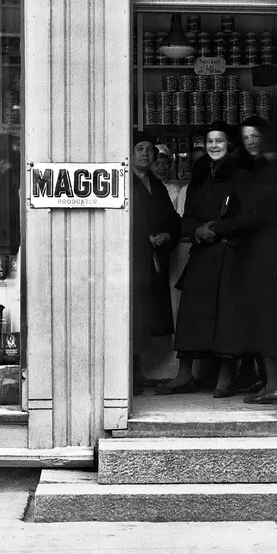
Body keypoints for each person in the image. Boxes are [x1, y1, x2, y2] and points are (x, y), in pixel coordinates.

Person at [156, 122, 260, 397]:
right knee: (191, 314)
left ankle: (225, 377)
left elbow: (249, 216)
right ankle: (184, 374)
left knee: (227, 317)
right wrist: (195, 231)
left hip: (230, 253)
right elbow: (187, 215)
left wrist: (215, 229)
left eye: (220, 141)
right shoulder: (200, 174)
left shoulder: (242, 174)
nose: (213, 146)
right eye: (209, 141)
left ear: (230, 145)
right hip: (202, 252)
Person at [235, 116, 277, 405]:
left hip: (265, 252)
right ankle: (270, 382)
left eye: (255, 136)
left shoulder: (266, 170)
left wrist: (217, 227)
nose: (251, 141)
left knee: (266, 319)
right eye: (246, 137)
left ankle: (274, 385)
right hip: (264, 250)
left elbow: (252, 214)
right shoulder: (266, 167)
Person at [130, 131, 181, 395]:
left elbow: (172, 218)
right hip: (131, 260)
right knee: (131, 314)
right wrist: (143, 236)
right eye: (140, 148)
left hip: (152, 260)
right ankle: (130, 373)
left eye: (150, 149)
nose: (146, 154)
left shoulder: (155, 184)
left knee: (145, 316)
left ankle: (137, 372)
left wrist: (167, 235)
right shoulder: (124, 180)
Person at [0, 133, 21, 256]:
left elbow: (1, 216)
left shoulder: (4, 183)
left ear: (0, 159)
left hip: (7, 243)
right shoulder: (18, 177)